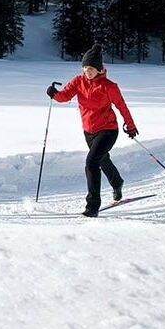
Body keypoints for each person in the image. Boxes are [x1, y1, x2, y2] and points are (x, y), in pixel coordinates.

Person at [46, 44, 138, 217]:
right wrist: (54, 94)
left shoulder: (109, 86)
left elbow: (121, 106)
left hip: (108, 130)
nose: (87, 72)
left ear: (99, 69)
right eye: (85, 68)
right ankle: (117, 182)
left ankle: (92, 206)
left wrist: (130, 126)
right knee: (102, 160)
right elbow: (65, 96)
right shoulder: (78, 81)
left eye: (90, 68)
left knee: (91, 162)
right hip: (89, 131)